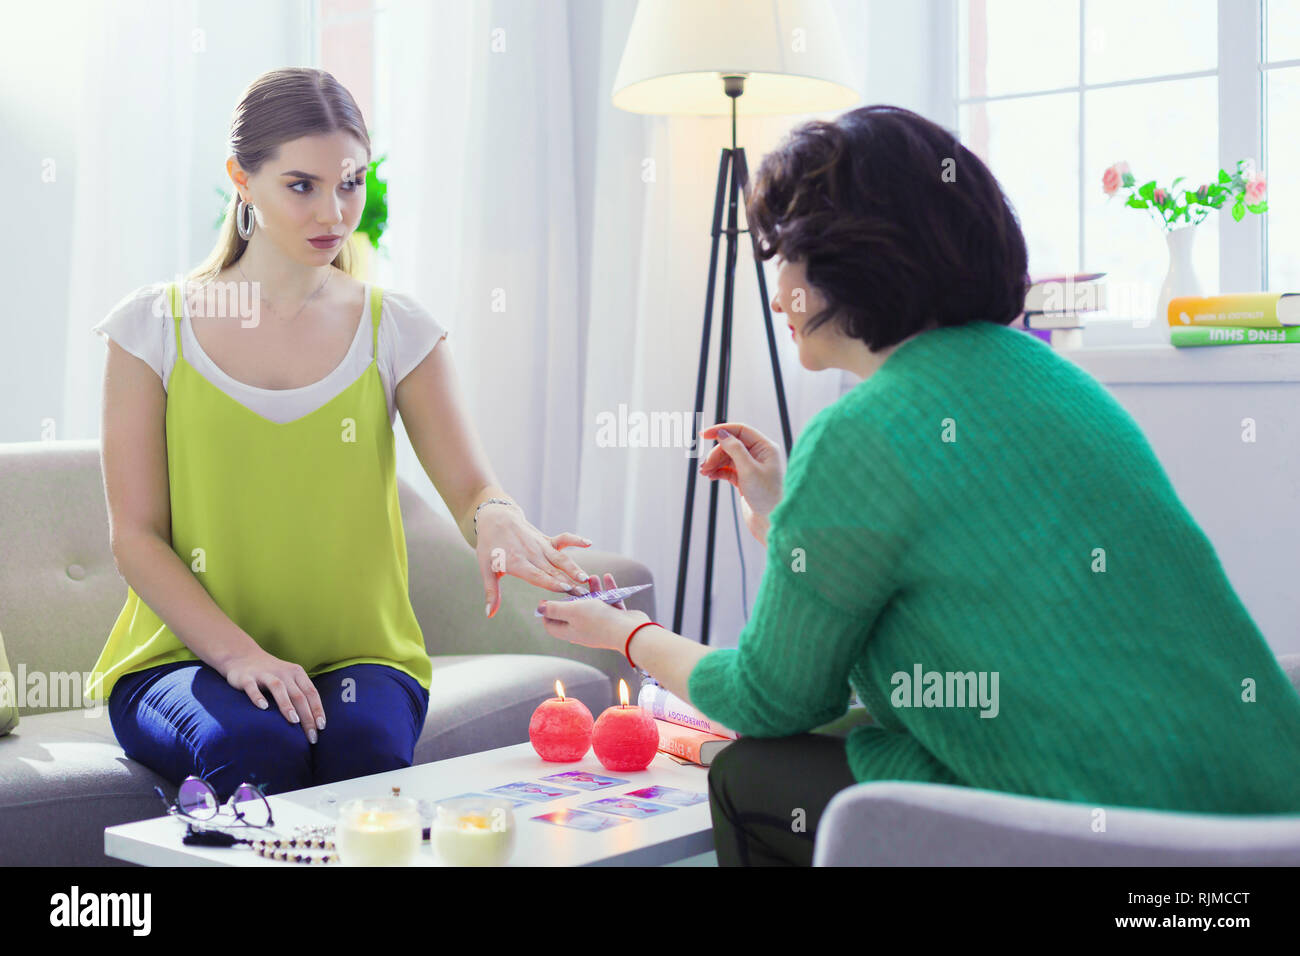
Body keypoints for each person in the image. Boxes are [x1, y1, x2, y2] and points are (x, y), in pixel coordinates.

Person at [539, 105, 1300, 866]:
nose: (778, 298)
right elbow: (960, 587)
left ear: (849, 257)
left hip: (1112, 839)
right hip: (1262, 820)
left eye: (787, 261)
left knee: (751, 770)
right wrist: (782, 517)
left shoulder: (862, 431)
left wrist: (625, 636)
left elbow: (770, 700)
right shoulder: (1062, 384)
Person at [85, 68, 593, 801]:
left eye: (350, 183)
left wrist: (498, 522)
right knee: (255, 744)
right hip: (180, 660)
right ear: (242, 179)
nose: (334, 211)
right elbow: (135, 536)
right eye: (302, 185)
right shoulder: (150, 327)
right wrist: (240, 656)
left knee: (364, 754)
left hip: (361, 656)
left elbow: (474, 489)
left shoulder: (399, 329)